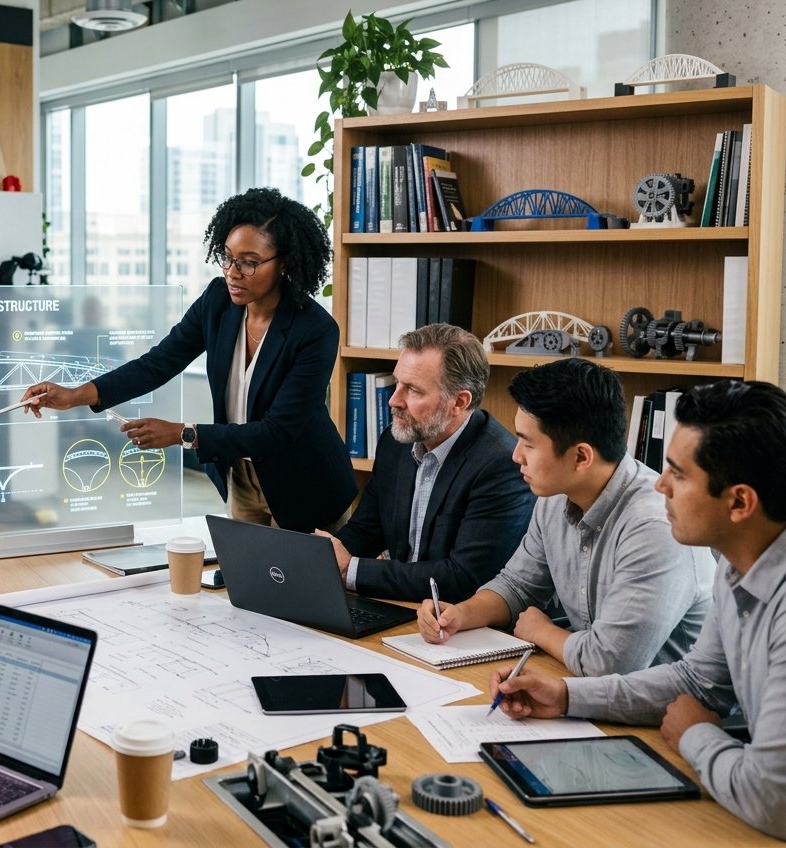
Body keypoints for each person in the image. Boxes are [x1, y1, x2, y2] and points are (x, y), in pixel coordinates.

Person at [490, 380, 786, 839]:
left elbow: (773, 801)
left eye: (680, 475)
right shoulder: (738, 563)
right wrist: (564, 697)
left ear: (740, 502)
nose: (661, 484)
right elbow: (695, 682)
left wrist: (695, 735)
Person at [21, 186, 356, 532]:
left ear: (285, 263)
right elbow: (159, 363)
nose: (232, 271)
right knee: (247, 583)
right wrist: (75, 395)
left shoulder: (315, 330)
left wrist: (183, 434)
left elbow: (278, 432)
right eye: (226, 256)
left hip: (305, 484)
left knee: (304, 585)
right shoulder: (217, 302)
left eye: (249, 263)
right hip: (240, 477)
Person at [418, 358, 714, 675]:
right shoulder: (555, 495)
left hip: (663, 712)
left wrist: (540, 631)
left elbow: (610, 664)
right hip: (585, 688)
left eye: (528, 443)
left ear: (581, 457)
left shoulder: (654, 526)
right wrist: (460, 614)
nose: (516, 455)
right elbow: (517, 586)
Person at [317, 323, 535, 602]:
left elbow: (463, 578)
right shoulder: (396, 442)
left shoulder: (501, 464)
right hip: (401, 604)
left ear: (459, 401)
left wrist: (351, 569)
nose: (394, 401)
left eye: (413, 390)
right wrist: (320, 557)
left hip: (459, 622)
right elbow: (367, 529)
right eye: (397, 383)